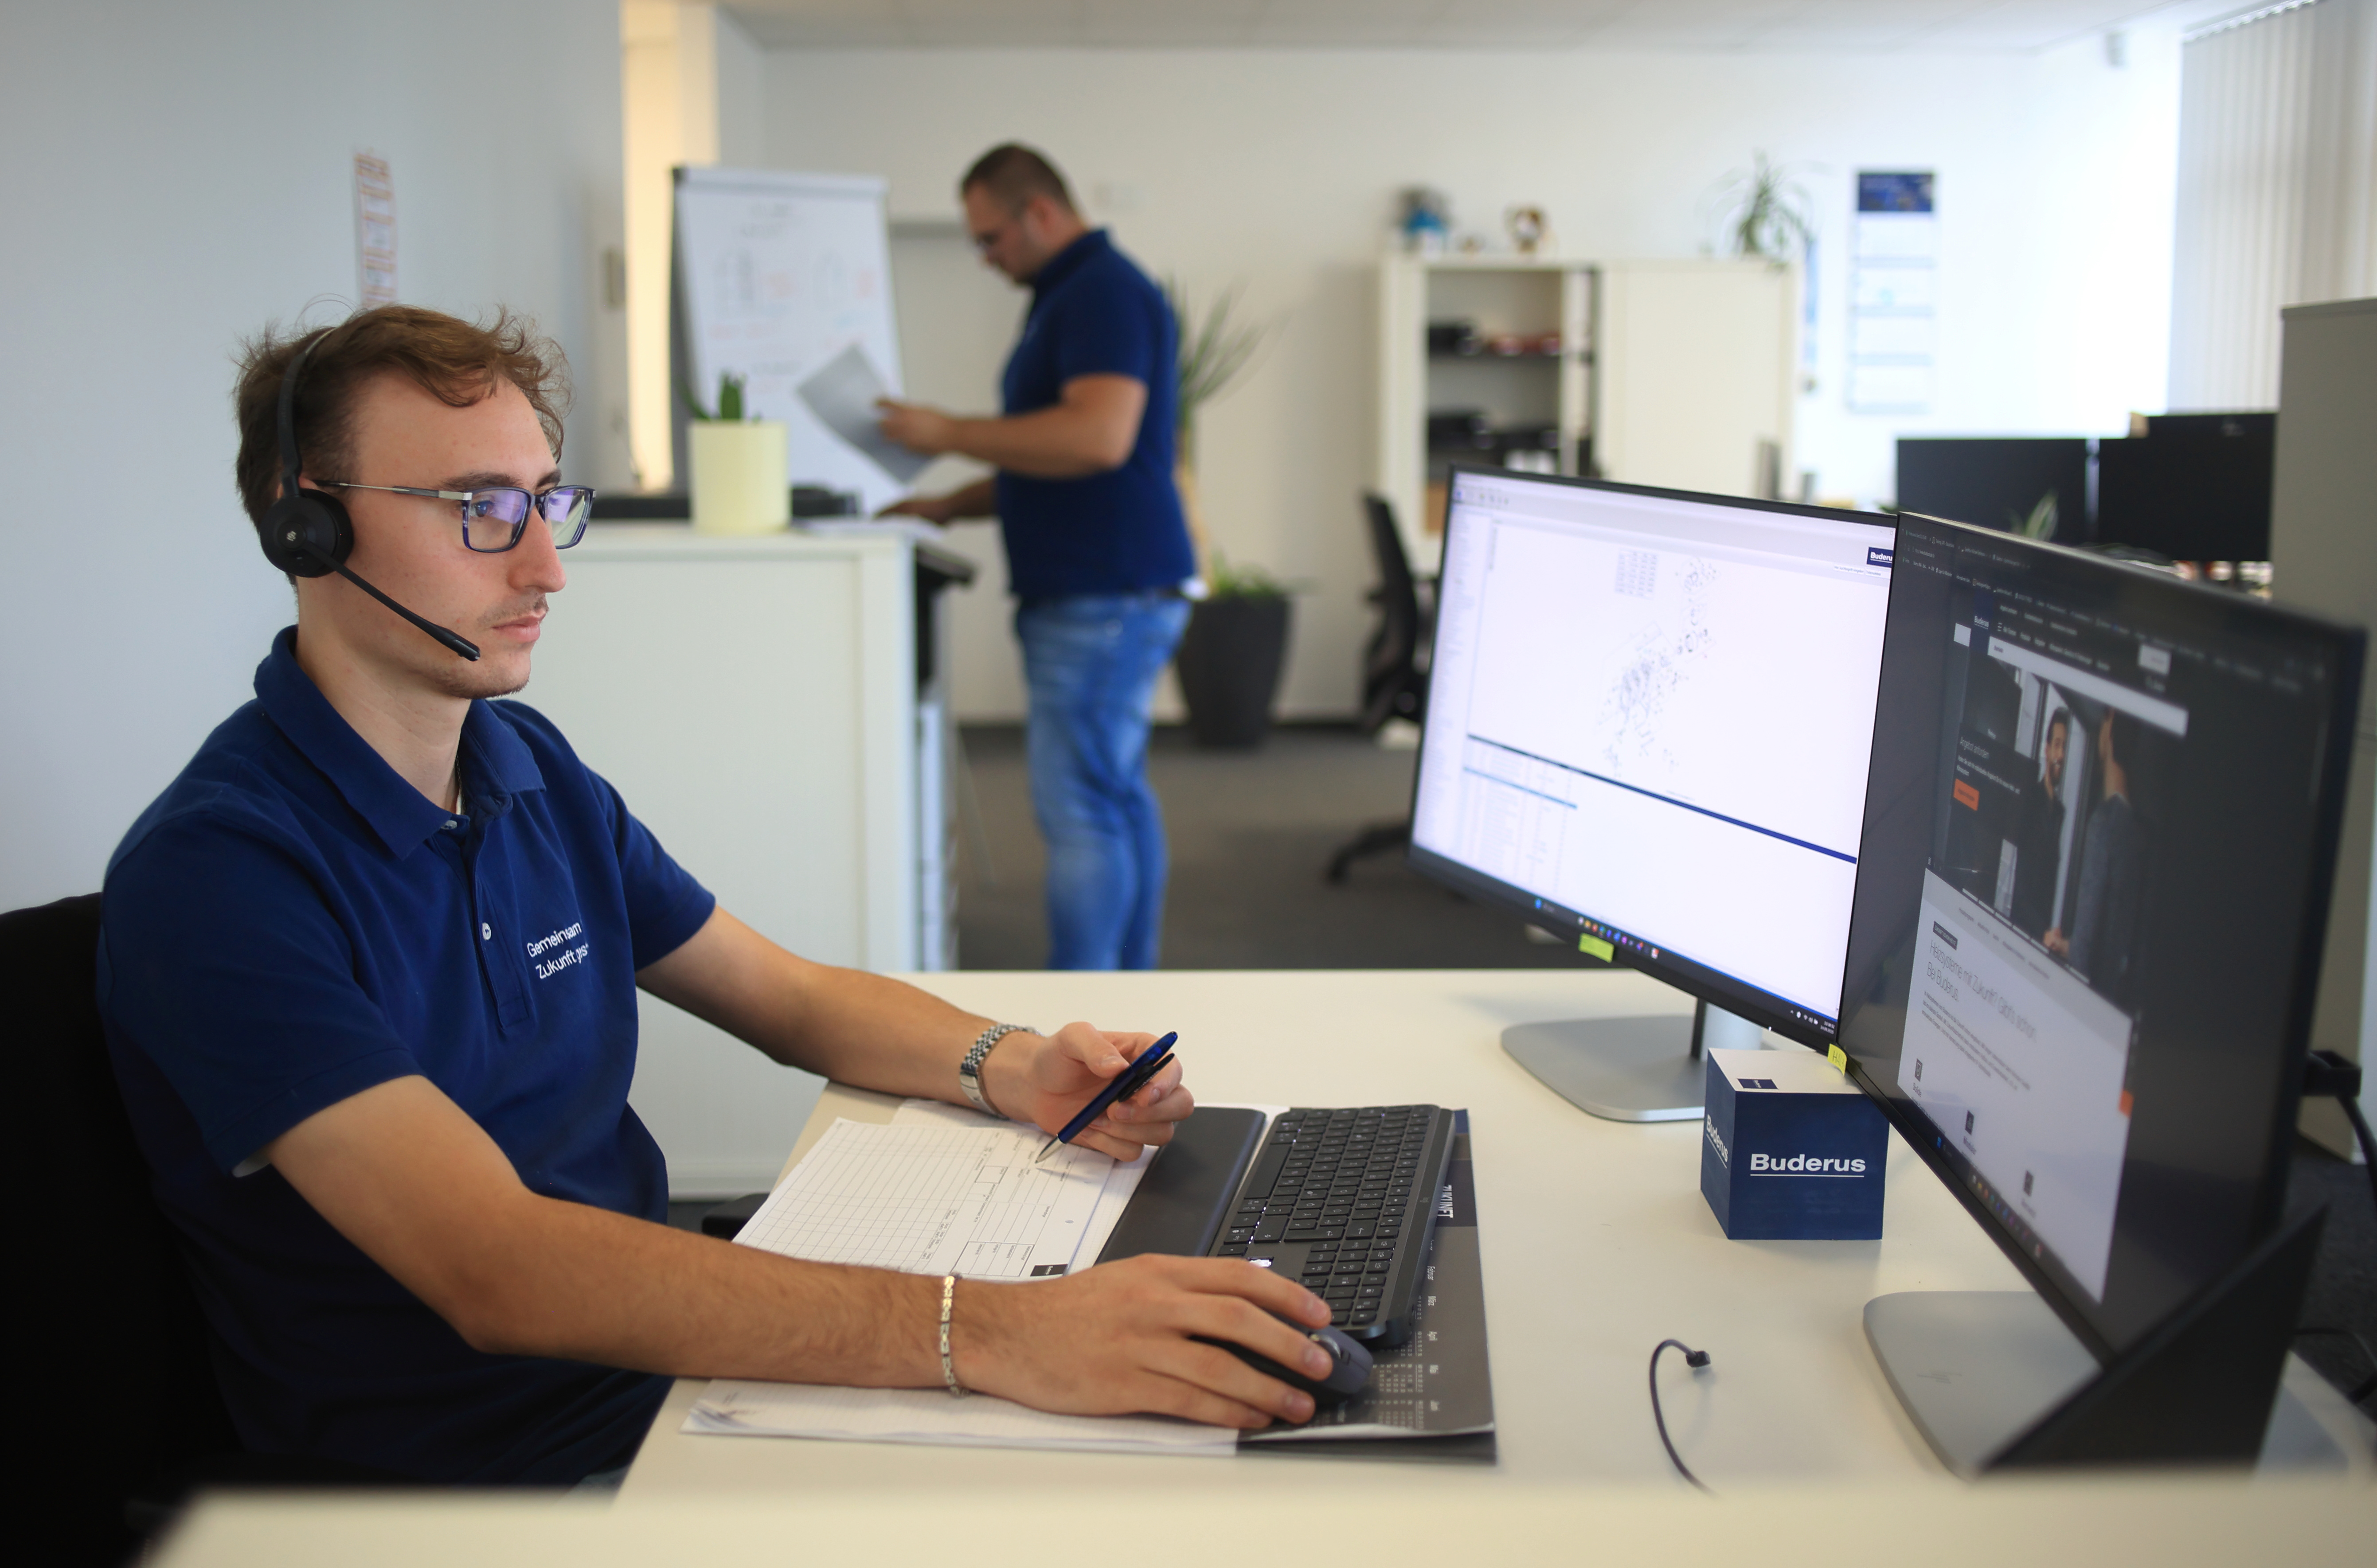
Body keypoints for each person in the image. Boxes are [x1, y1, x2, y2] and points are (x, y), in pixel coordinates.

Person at [97, 305, 1330, 1488]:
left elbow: (787, 997)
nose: (545, 567)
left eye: (545, 502)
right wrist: (1002, 1333)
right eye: (481, 509)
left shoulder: (524, 767)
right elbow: (497, 1268)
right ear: (306, 526)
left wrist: (1015, 1066)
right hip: (495, 1477)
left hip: (667, 1385)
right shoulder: (224, 875)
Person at [876, 144, 1195, 971]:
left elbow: (1096, 438)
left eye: (990, 238)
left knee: (1081, 808)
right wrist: (950, 503)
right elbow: (1054, 458)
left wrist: (946, 432)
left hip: (1103, 593)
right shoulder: (1073, 293)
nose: (985, 257)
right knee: (1113, 795)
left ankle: (1090, 1000)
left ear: (1041, 213)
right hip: (1117, 587)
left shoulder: (1100, 292)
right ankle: (1130, 984)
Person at [2045, 711, 2144, 1006]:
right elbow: (2112, 943)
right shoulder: (2139, 834)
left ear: (2110, 731)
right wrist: (2068, 946)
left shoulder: (2105, 824)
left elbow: (2085, 955)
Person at [2008, 709, 2068, 942]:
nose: (2061, 755)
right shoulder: (2031, 800)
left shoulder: (2061, 813)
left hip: (2046, 933)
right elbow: (2021, 889)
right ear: (2047, 749)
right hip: (2024, 932)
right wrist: (2042, 933)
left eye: (2066, 747)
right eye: (2057, 745)